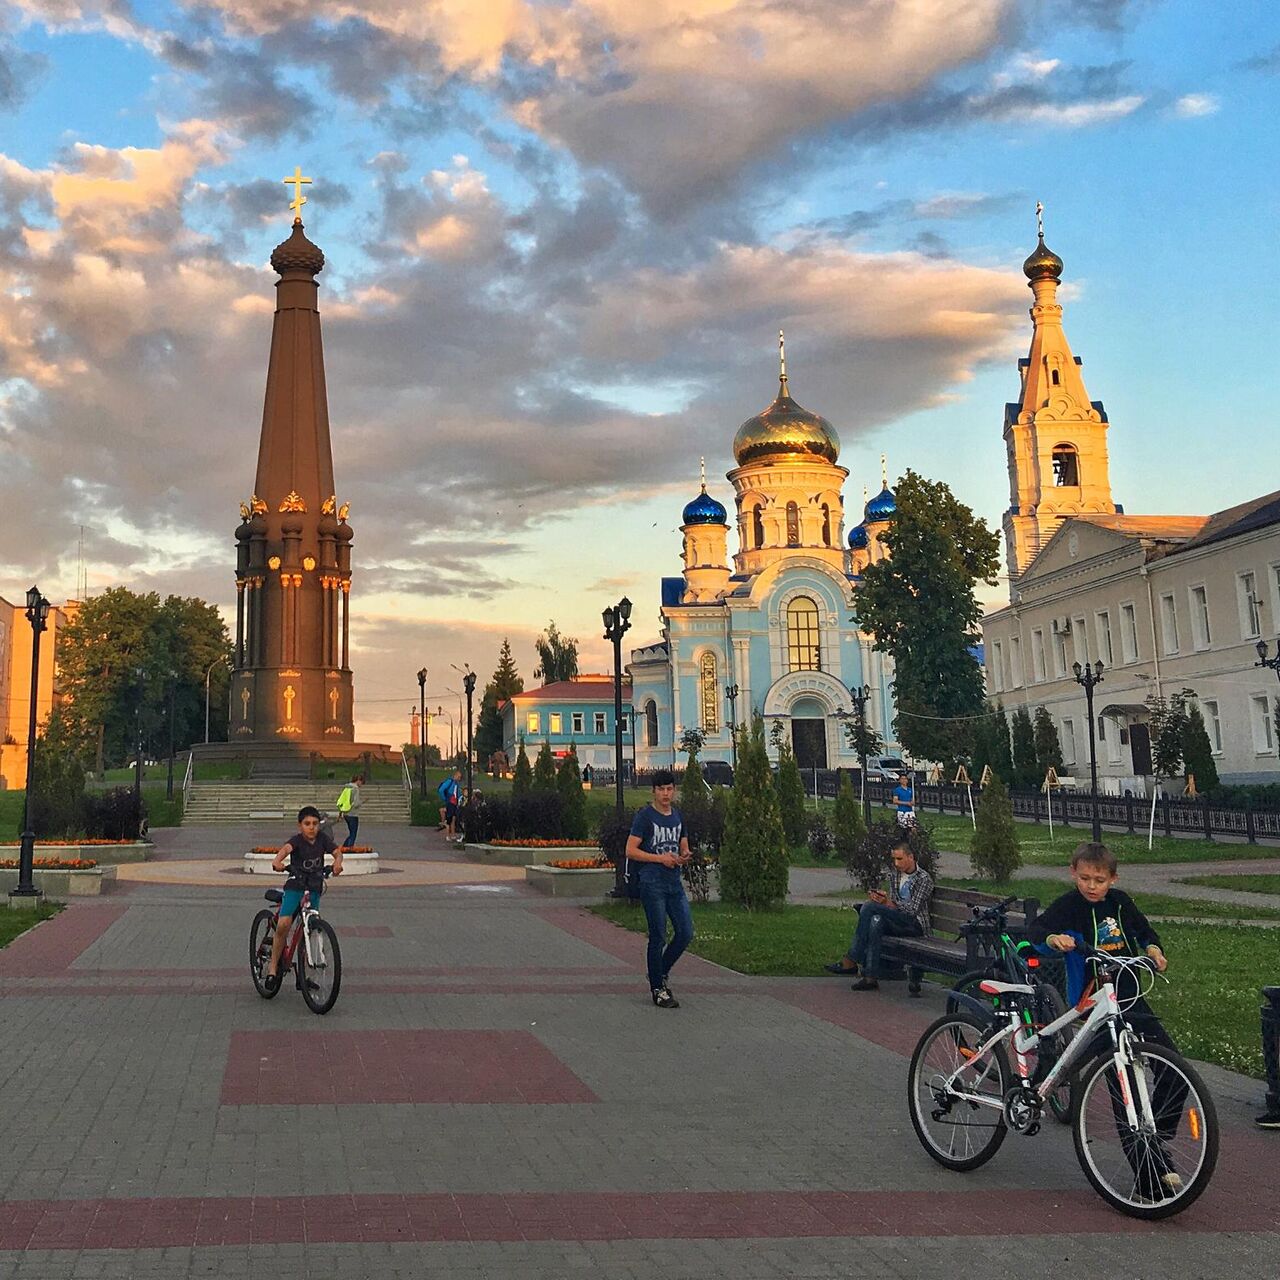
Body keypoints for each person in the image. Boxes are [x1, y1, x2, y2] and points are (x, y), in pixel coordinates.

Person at [1026, 841, 1185, 1198]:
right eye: (1084, 878)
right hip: (1095, 1004)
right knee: (1123, 1088)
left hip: (1132, 999)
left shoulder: (1120, 903)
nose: (1091, 886)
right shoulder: (1069, 905)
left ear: (1112, 879)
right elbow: (1037, 933)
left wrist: (1154, 951)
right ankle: (1149, 1182)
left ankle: (1155, 1137)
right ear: (1073, 874)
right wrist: (1054, 938)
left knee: (1175, 1070)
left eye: (1099, 879)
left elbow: (1145, 932)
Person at [825, 836, 932, 991]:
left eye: (900, 859)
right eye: (894, 859)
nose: (896, 863)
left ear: (911, 857)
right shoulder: (895, 875)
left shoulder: (923, 879)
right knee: (876, 921)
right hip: (897, 919)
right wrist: (883, 899)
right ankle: (870, 978)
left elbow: (912, 910)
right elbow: (894, 901)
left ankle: (852, 959)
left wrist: (889, 904)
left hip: (913, 924)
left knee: (868, 907)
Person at [626, 768, 694, 1009]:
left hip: (673, 882)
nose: (666, 794)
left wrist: (684, 855)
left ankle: (659, 971)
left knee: (685, 932)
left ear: (674, 791)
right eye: (661, 789)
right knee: (658, 936)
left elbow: (682, 843)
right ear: (653, 791)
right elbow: (630, 850)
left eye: (669, 789)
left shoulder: (677, 816)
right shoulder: (645, 817)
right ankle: (658, 988)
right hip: (652, 882)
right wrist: (659, 859)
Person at [264, 805, 343, 990]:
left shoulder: (323, 839)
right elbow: (285, 850)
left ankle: (303, 975)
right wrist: (278, 861)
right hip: (296, 886)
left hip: (314, 886)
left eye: (315, 823)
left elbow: (337, 852)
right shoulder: (297, 841)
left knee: (310, 927)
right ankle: (273, 968)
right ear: (300, 825)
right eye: (307, 823)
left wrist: (338, 863)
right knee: (284, 924)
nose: (311, 827)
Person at [335, 772, 363, 849]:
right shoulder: (355, 789)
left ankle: (344, 847)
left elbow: (342, 801)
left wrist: (340, 814)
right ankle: (349, 848)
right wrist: (361, 803)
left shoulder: (346, 788)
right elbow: (356, 803)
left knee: (351, 833)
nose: (361, 784)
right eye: (361, 782)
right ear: (358, 780)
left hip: (345, 813)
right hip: (353, 814)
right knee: (353, 833)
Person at [437, 769, 462, 838]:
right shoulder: (449, 781)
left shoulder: (457, 784)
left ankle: (453, 834)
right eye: (459, 777)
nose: (459, 779)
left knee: (453, 818)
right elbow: (441, 790)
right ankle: (448, 835)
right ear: (455, 775)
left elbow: (458, 793)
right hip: (450, 802)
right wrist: (445, 798)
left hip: (454, 803)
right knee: (450, 819)